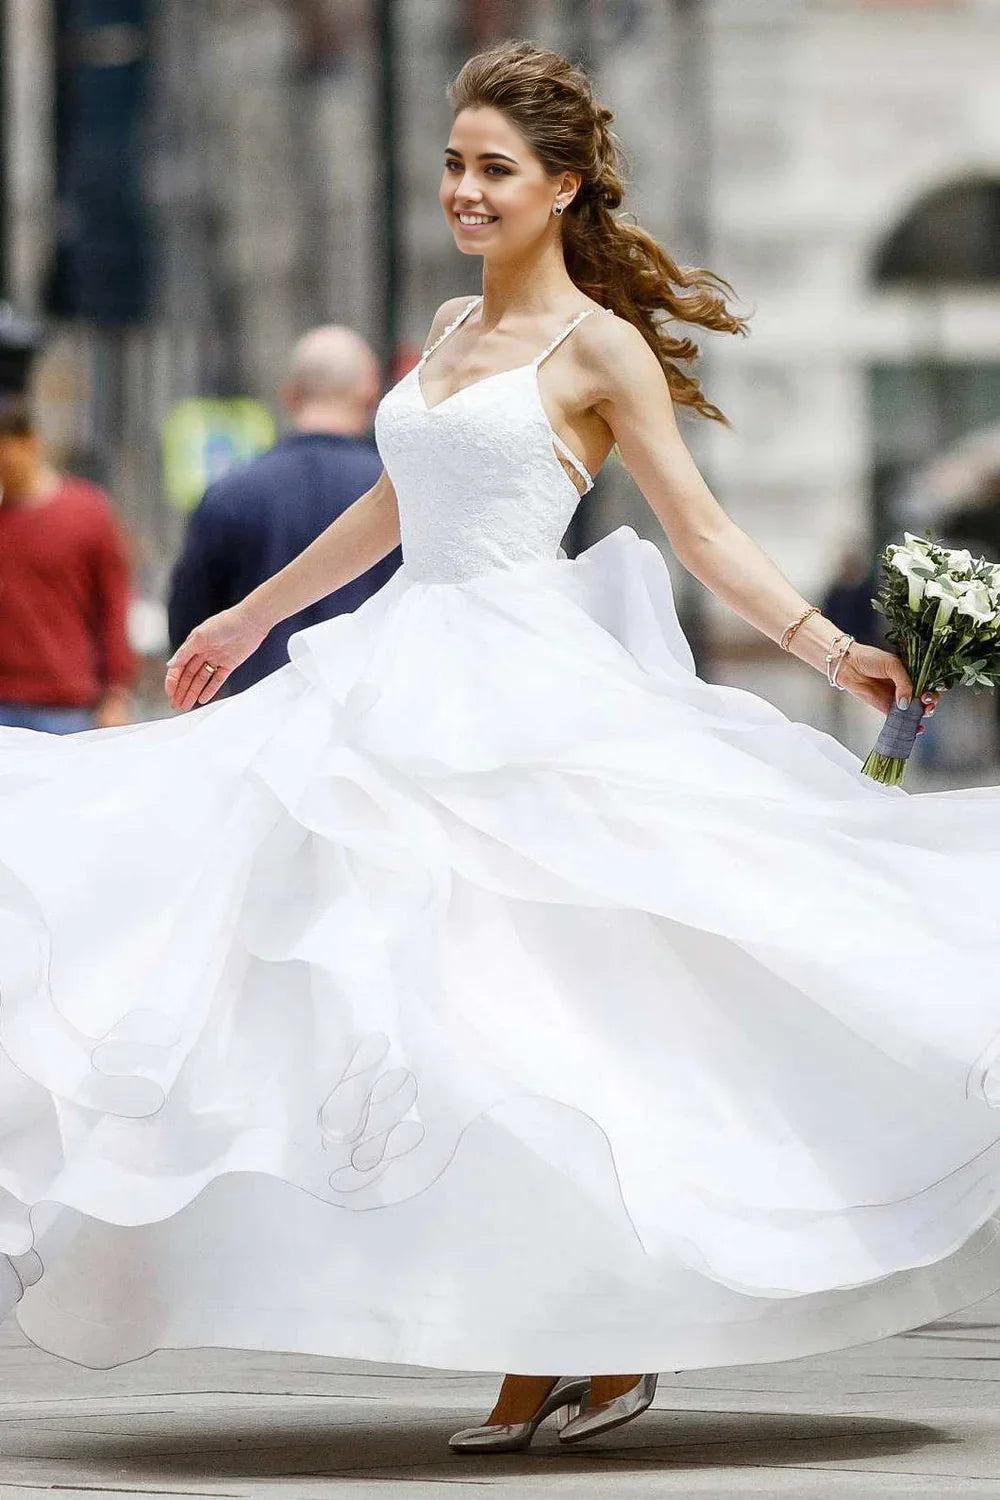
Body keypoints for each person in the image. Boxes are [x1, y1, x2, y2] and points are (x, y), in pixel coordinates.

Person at [14, 39, 1000, 1462]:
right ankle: (551, 1340)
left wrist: (823, 644)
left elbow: (699, 529)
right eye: (455, 164)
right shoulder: (441, 329)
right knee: (420, 1015)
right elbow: (389, 511)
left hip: (526, 689)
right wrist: (251, 610)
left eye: (494, 170)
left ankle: (570, 1343)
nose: (463, 191)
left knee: (542, 1013)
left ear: (562, 188)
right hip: (402, 668)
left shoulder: (593, 348)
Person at [167, 326, 399, 695]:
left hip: (256, 718)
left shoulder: (230, 494)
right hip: (371, 714)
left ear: (290, 395)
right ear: (371, 393)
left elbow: (190, 620)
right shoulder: (400, 496)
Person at [0, 394, 136, 732]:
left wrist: (116, 693)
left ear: (29, 443)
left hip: (68, 705)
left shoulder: (87, 512)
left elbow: (113, 605)